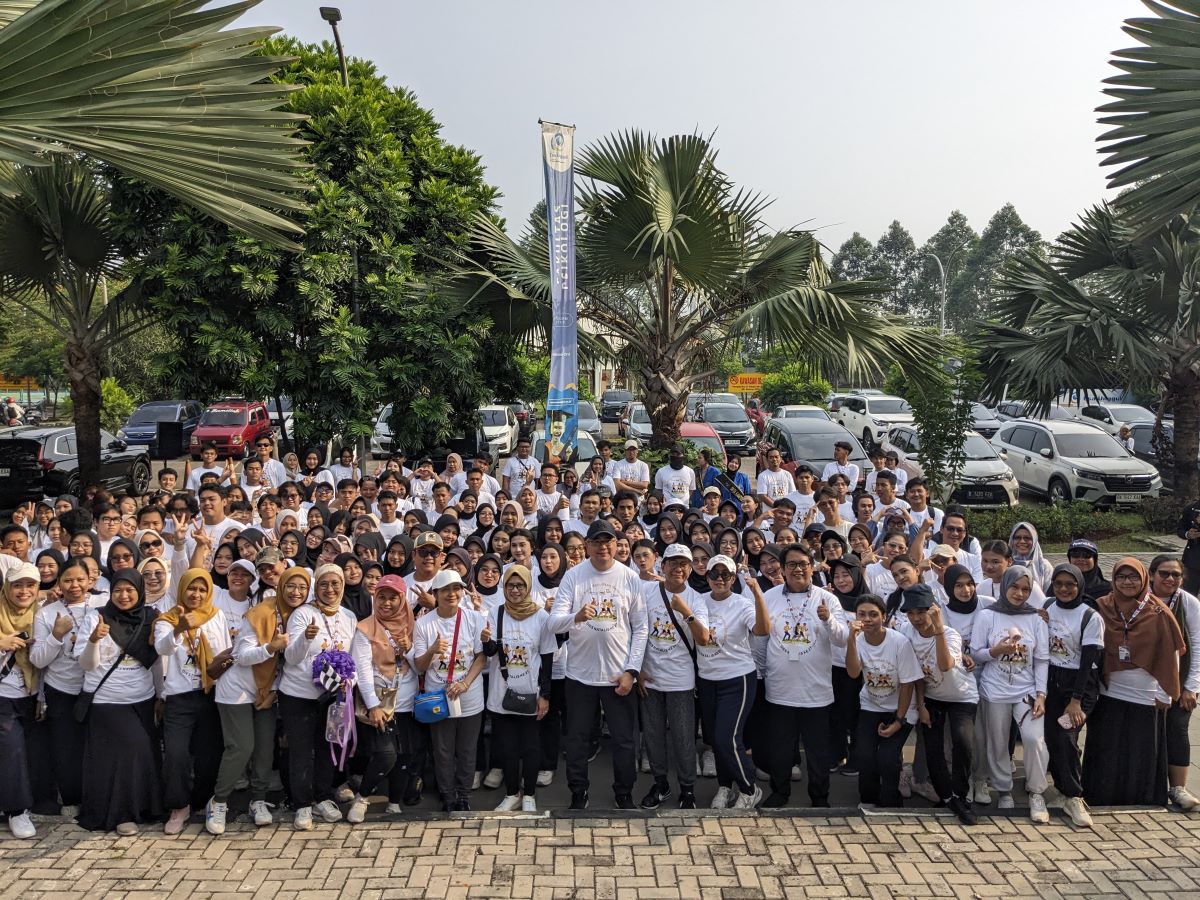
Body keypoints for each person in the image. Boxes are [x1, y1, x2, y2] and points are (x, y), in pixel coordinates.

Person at [548, 520, 648, 810]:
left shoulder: (629, 577)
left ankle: (624, 793)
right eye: (596, 542)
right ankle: (578, 792)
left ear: (616, 545)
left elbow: (641, 628)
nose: (603, 547)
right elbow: (554, 623)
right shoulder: (573, 577)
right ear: (587, 546)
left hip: (618, 675)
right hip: (580, 675)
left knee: (624, 740)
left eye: (608, 542)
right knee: (577, 740)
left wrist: (631, 671)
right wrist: (576, 617)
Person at [1083, 557, 1185, 808]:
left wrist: (1165, 692)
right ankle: (1101, 797)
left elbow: (1170, 652)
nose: (1127, 582)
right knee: (1108, 750)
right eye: (1121, 577)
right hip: (1108, 691)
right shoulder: (1101, 606)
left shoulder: (1158, 611)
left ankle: (1141, 799)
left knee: (1140, 751)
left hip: (1145, 693)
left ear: (1143, 579)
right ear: (1113, 579)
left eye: (1133, 577)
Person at [759, 545, 848, 808]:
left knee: (817, 750)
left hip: (816, 691)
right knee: (780, 748)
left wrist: (828, 620)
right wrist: (761, 673)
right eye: (792, 564)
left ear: (812, 566)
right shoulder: (769, 597)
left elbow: (843, 639)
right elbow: (760, 639)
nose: (798, 569)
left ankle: (819, 797)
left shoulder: (827, 598)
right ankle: (780, 792)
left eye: (803, 564)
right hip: (780, 689)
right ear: (783, 569)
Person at [76, 570, 163, 834]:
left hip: (142, 698)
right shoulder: (97, 617)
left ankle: (144, 809)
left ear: (140, 591)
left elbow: (156, 662)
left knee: (138, 756)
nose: (123, 596)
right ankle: (122, 815)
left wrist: (161, 696)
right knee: (131, 748)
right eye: (117, 590)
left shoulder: (150, 617)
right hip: (106, 699)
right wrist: (94, 640)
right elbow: (86, 665)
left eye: (129, 590)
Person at [687, 554, 772, 809]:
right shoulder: (699, 600)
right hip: (707, 678)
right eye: (714, 574)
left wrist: (757, 595)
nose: (720, 579)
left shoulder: (742, 604)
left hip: (737, 678)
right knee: (715, 740)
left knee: (727, 738)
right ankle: (725, 786)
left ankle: (749, 788)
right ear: (707, 576)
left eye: (725, 574)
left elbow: (762, 630)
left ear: (733, 578)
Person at [969, 566, 1051, 823]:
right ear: (1004, 585)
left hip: (1026, 691)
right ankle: (1003, 789)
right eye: (1014, 587)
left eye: (1026, 589)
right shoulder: (987, 616)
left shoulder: (1035, 618)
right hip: (994, 690)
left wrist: (1041, 694)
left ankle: (1036, 792)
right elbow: (975, 654)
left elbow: (1042, 659)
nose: (1019, 593)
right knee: (997, 741)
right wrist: (995, 651)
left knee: (1034, 739)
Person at [279, 564, 358, 830]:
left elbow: (355, 658)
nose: (330, 589)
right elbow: (291, 657)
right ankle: (302, 804)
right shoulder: (303, 614)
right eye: (324, 583)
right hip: (299, 695)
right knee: (301, 751)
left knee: (328, 747)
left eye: (335, 583)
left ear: (342, 586)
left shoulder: (349, 616)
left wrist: (349, 682)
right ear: (316, 586)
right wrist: (305, 638)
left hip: (334, 696)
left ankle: (323, 797)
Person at [154, 568, 230, 834]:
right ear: (181, 589)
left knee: (209, 755)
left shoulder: (216, 616)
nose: (196, 594)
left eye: (201, 589)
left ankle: (201, 801)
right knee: (176, 755)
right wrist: (179, 629)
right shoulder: (168, 619)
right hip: (179, 697)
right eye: (191, 588)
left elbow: (225, 652)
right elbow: (162, 648)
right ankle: (178, 806)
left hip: (211, 694)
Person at [896, 583, 979, 825]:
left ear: (933, 609)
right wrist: (921, 705)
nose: (916, 618)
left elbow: (945, 665)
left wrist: (939, 628)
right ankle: (946, 796)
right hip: (931, 696)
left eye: (921, 612)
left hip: (961, 696)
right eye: (911, 613)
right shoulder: (906, 632)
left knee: (962, 742)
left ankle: (961, 794)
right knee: (933, 748)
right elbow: (914, 673)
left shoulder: (950, 634)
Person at [413, 569, 487, 811]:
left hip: (470, 696)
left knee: (467, 750)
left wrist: (465, 684)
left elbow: (481, 657)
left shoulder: (473, 618)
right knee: (442, 750)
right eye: (445, 590)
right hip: (439, 697)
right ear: (435, 593)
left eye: (456, 589)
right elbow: (419, 666)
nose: (451, 594)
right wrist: (432, 650)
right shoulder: (423, 624)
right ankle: (447, 796)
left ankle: (463, 796)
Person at [482, 566, 555, 812]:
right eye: (510, 586)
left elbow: (547, 658)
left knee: (531, 746)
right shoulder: (496, 612)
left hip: (531, 692)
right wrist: (486, 641)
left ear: (528, 587)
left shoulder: (541, 616)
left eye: (520, 585)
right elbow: (490, 652)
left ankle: (530, 794)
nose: (515, 590)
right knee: (508, 747)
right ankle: (512, 793)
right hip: (501, 693)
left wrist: (545, 695)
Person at [349, 574, 418, 822]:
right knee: (386, 753)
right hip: (380, 701)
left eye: (393, 598)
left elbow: (420, 667)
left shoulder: (413, 625)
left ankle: (394, 802)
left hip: (407, 699)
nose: (386, 603)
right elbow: (362, 670)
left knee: (405, 755)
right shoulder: (365, 628)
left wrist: (409, 649)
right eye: (381, 597)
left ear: (402, 599)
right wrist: (373, 705)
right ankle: (362, 798)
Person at [637, 544, 701, 810]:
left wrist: (686, 611)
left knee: (683, 737)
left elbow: (703, 639)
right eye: (673, 563)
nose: (678, 568)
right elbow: (635, 630)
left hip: (681, 679)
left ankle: (687, 789)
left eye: (683, 564)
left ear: (690, 568)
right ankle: (660, 784)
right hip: (649, 678)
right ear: (662, 566)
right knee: (653, 735)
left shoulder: (697, 598)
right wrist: (636, 669)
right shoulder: (646, 592)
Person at [845, 592, 923, 809]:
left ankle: (891, 802)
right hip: (871, 704)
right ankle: (868, 798)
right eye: (862, 614)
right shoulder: (857, 640)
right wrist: (850, 639)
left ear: (884, 616)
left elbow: (907, 684)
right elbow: (853, 673)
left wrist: (898, 721)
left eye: (873, 614)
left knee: (887, 758)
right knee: (864, 754)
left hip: (901, 707)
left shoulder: (899, 642)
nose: (867, 619)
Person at [1041, 563, 1103, 828]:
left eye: (1070, 584)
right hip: (1051, 680)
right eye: (1058, 584)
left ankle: (1074, 795)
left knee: (1067, 736)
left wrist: (1076, 701)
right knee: (1051, 737)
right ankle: (1061, 788)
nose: (1064, 589)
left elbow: (1089, 661)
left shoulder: (1090, 617)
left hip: (1079, 684)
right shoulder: (1046, 607)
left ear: (1080, 585)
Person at [1145, 555, 1200, 811]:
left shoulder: (1188, 603)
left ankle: (1178, 787)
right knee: (1148, 733)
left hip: (1179, 679)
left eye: (1176, 575)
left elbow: (1197, 644)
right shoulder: (1141, 599)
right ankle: (1149, 786)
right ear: (1152, 575)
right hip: (1144, 681)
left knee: (1177, 729)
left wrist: (1192, 686)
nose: (1170, 579)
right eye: (1164, 573)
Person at [0, 564, 41, 838]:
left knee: (26, 753)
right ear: (7, 588)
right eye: (17, 585)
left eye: (30, 585)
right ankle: (17, 811)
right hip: (2, 695)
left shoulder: (44, 614)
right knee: (12, 749)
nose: (24, 591)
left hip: (31, 695)